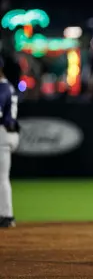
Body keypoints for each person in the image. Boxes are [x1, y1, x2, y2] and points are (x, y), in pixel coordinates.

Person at [0, 56, 20, 228]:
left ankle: (7, 215)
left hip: (2, 133)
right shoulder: (8, 87)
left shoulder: (2, 88)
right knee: (2, 177)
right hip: (8, 132)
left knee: (2, 177)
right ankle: (5, 214)